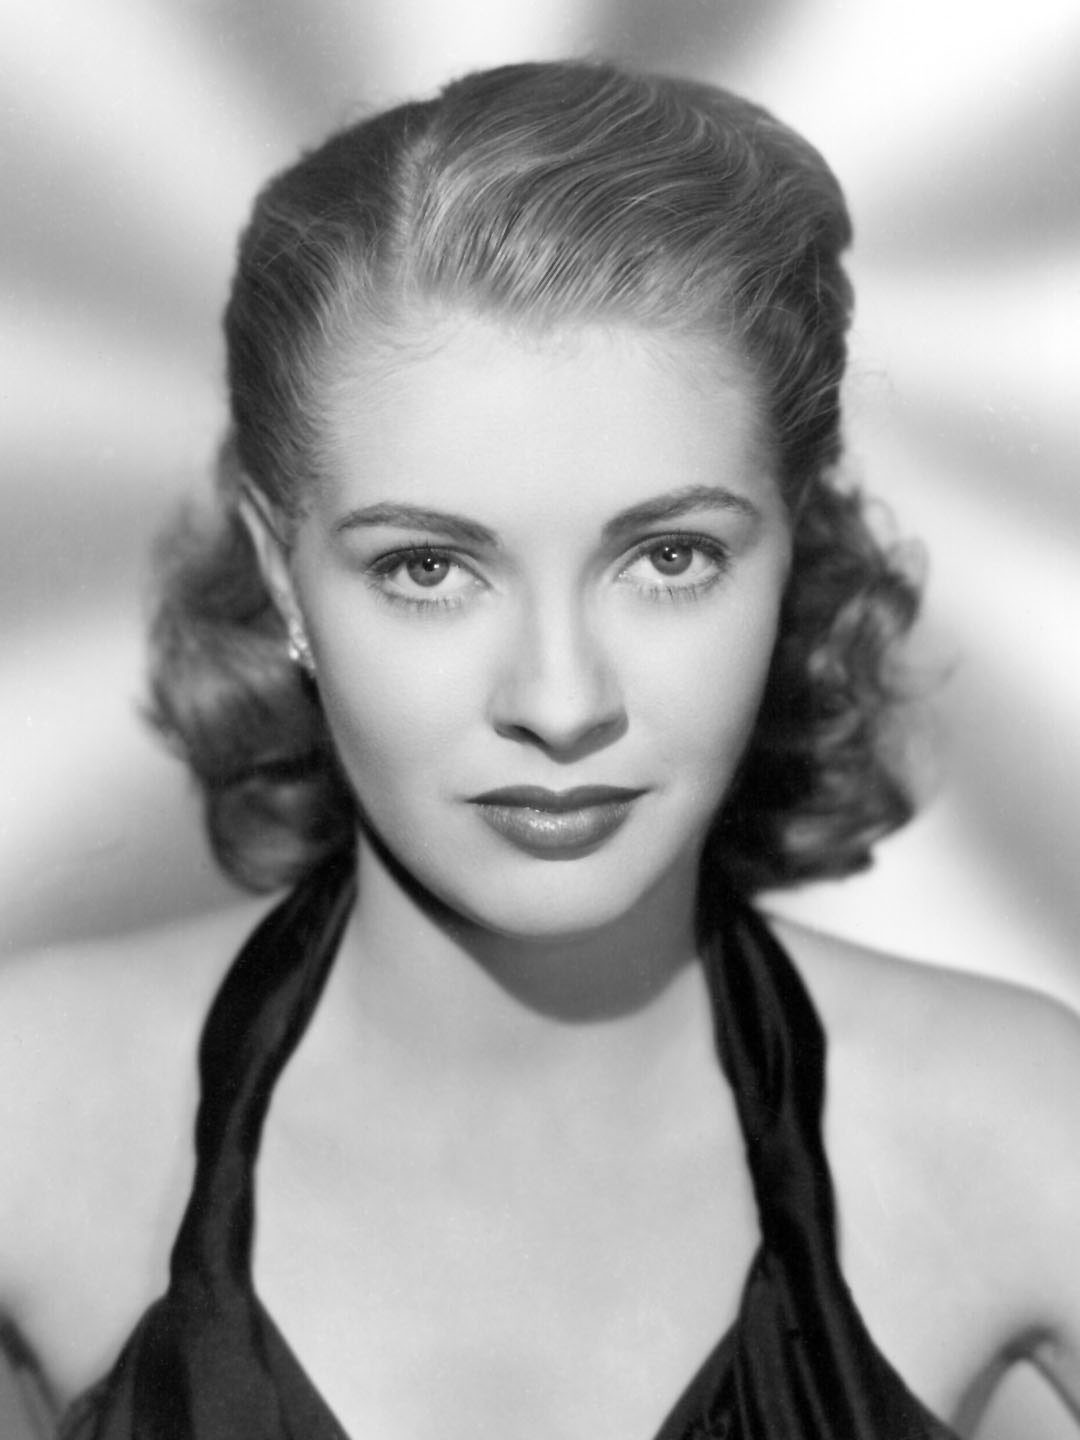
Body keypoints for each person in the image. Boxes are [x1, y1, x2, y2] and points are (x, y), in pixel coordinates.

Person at [0, 58, 1077, 1440]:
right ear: (281, 577)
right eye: (428, 568)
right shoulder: (32, 1111)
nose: (561, 704)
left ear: (791, 549)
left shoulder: (1016, 1130)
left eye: (671, 556)